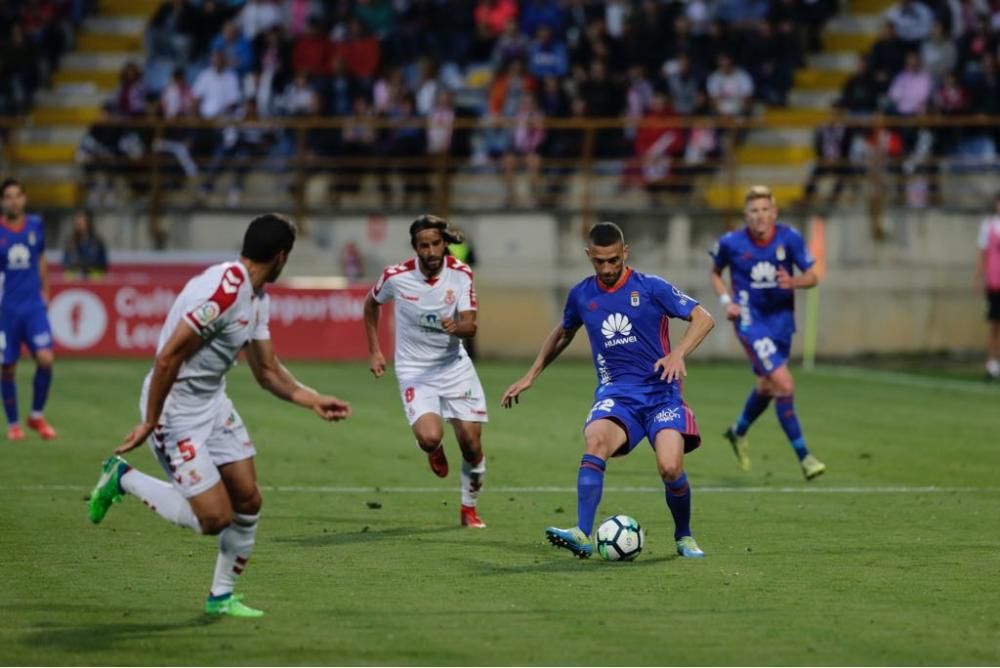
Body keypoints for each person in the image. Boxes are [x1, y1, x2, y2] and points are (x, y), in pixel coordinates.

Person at [86, 214, 352, 618]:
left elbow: (265, 370)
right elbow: (168, 357)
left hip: (213, 405)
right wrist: (150, 421)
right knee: (213, 519)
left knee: (248, 499)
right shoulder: (223, 294)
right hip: (174, 414)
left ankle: (221, 596)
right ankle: (122, 478)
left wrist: (311, 398)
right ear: (281, 257)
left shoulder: (257, 296)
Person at [501, 221, 715, 559]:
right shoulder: (583, 295)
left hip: (661, 395)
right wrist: (532, 374)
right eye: (599, 261)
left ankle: (684, 535)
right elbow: (563, 333)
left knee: (671, 468)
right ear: (589, 256)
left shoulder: (651, 287)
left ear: (625, 252)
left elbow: (703, 317)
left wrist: (677, 353)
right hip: (617, 396)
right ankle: (582, 533)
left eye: (613, 260)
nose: (607, 268)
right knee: (596, 441)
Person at [363, 215, 488, 529]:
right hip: (415, 370)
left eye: (436, 244)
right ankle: (434, 449)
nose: (431, 251)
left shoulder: (460, 274)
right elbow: (370, 305)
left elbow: (471, 326)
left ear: (445, 243)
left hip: (454, 367)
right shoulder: (395, 277)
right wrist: (375, 350)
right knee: (430, 437)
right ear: (415, 248)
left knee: (472, 446)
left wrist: (457, 327)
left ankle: (468, 509)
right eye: (424, 246)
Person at [710, 185, 826, 480]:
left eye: (765, 210)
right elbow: (715, 272)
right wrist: (728, 302)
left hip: (782, 322)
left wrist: (795, 282)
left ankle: (737, 432)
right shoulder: (731, 242)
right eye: (753, 211)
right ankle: (805, 457)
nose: (760, 216)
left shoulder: (790, 238)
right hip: (750, 321)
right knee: (784, 384)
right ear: (745, 215)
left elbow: (814, 275)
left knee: (766, 386)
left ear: (774, 213)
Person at [0, 178, 57, 441]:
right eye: (8, 196)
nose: (13, 200)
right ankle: (13, 424)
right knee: (7, 367)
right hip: (6, 309)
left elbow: (41, 258)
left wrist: (45, 290)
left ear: (24, 199)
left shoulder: (35, 225)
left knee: (45, 358)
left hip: (33, 306)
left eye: (17, 195)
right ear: (2, 202)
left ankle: (36, 415)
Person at [976, 192, 1000, 381]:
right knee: (994, 324)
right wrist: (978, 278)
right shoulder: (988, 226)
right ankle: (991, 365)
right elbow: (982, 255)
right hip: (994, 282)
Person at [62, 209, 108, 279]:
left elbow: (102, 263)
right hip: (75, 275)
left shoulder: (97, 241)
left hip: (92, 275)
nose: (79, 225)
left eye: (82, 222)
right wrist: (75, 265)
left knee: (97, 276)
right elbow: (65, 262)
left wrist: (87, 266)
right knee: (68, 276)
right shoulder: (70, 242)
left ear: (88, 222)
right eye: (77, 222)